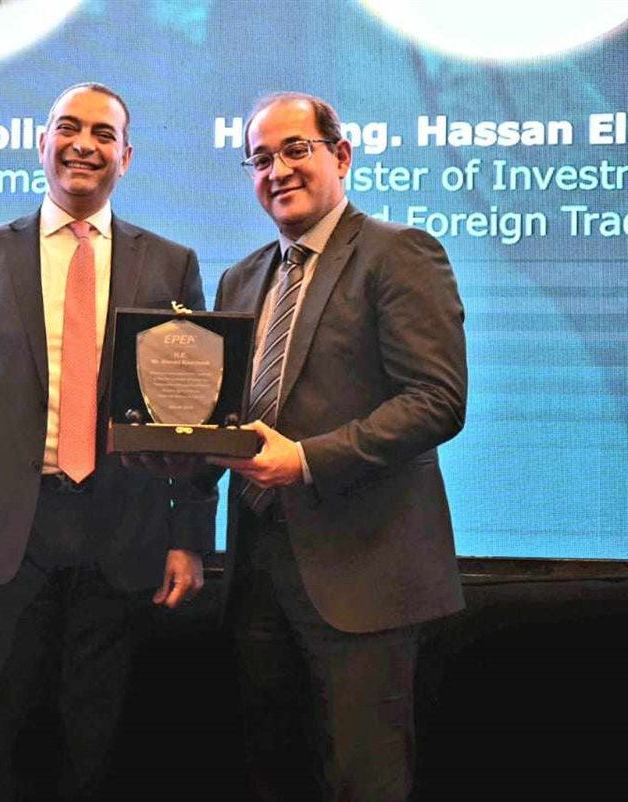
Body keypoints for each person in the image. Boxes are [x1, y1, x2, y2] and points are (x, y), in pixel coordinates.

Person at [0, 82, 216, 801]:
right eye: (69, 129)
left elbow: (196, 418)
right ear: (41, 144)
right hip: (3, 537)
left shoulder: (171, 264)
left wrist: (190, 536)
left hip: (124, 533)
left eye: (104, 134)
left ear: (126, 157)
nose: (85, 144)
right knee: (4, 747)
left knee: (97, 752)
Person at [210, 92, 467, 801]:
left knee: (364, 784)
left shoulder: (399, 253)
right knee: (273, 778)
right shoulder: (241, 278)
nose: (278, 170)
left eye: (297, 149)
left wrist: (305, 460)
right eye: (261, 158)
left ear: (342, 155)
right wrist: (173, 453)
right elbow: (230, 418)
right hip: (257, 577)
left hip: (364, 579)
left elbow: (437, 400)